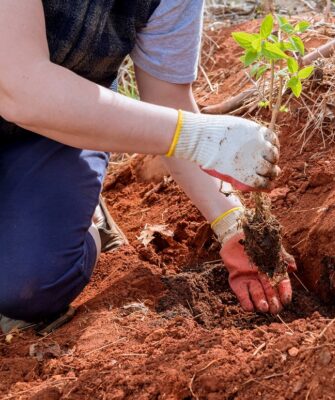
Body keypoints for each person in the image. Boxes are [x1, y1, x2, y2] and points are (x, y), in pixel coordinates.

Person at [0, 0, 297, 334]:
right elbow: (19, 88)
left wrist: (232, 223)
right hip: (23, 98)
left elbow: (168, 102)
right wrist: (198, 136)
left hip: (60, 129)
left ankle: (79, 209)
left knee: (29, 283)